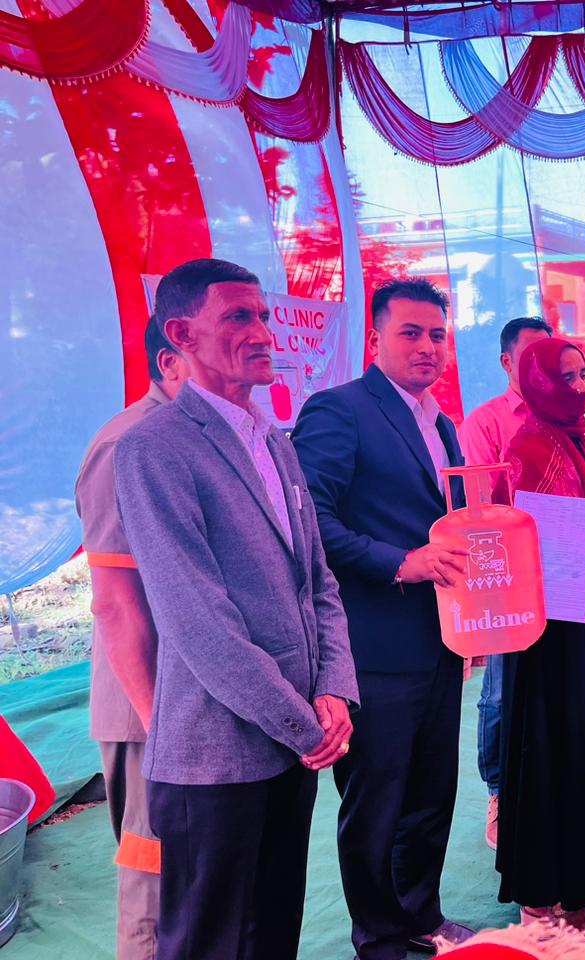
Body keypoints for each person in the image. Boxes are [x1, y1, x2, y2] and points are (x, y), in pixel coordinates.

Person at [113, 258, 359, 960]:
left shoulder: (274, 441)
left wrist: (334, 689)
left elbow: (318, 582)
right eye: (238, 317)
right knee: (210, 943)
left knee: (274, 931)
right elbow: (198, 622)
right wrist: (303, 724)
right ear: (182, 335)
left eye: (264, 315)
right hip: (215, 755)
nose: (262, 332)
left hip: (292, 741)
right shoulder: (152, 448)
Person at [291, 278, 475, 960]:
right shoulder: (339, 411)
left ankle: (421, 914)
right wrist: (401, 562)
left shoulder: (441, 422)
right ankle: (379, 938)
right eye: (411, 333)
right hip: (371, 645)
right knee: (376, 802)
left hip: (441, 639)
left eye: (437, 335)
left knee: (431, 792)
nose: (428, 347)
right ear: (375, 339)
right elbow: (310, 520)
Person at [495, 337, 585, 940]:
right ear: (540, 382)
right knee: (548, 753)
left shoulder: (578, 440)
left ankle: (577, 885)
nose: (582, 388)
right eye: (569, 377)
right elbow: (525, 538)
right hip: (545, 636)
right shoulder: (526, 448)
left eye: (584, 375)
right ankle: (538, 897)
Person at [74, 314, 190, 960]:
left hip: (191, 700)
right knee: (154, 867)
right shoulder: (128, 443)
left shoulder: (200, 434)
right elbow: (115, 603)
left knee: (195, 867)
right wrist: (158, 719)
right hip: (148, 704)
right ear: (170, 360)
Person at [459, 315, 553, 850]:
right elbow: (479, 510)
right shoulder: (486, 423)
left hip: (565, 573)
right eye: (530, 356)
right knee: (500, 690)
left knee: (559, 683)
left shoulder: (569, 419)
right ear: (506, 362)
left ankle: (553, 786)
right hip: (507, 576)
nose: (542, 367)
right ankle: (501, 792)